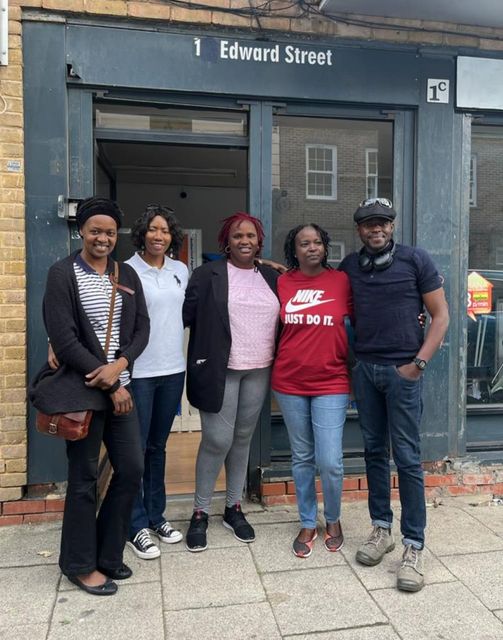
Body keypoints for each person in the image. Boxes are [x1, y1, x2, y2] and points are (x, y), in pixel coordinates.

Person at [33, 197, 149, 596]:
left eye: (110, 232)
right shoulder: (62, 273)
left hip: (121, 388)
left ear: (118, 236)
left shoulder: (126, 274)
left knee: (131, 470)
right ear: (81, 231)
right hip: (84, 394)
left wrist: (121, 366)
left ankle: (108, 552)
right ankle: (79, 564)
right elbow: (64, 339)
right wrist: (110, 383)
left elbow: (142, 330)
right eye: (95, 230)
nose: (102, 237)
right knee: (83, 481)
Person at [338, 197, 449, 592]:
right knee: (372, 452)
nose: (376, 229)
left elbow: (440, 315)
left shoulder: (416, 261)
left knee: (407, 457)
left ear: (392, 226)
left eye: (382, 222)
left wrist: (417, 364)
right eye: (368, 223)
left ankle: (414, 546)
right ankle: (380, 529)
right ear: (359, 230)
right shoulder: (350, 266)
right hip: (365, 372)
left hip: (403, 371)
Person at [182, 212, 280, 552]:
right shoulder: (206, 274)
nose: (245, 241)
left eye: (251, 236)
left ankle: (233, 507)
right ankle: (199, 511)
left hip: (259, 368)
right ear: (226, 240)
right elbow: (186, 317)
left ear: (259, 242)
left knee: (242, 439)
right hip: (220, 369)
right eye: (238, 235)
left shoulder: (271, 277)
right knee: (217, 439)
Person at [271, 224, 352, 558]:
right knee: (302, 458)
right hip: (289, 381)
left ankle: (332, 518)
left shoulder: (342, 281)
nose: (312, 247)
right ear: (295, 249)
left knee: (330, 461)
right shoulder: (282, 281)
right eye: (305, 243)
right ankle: (307, 520)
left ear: (326, 246)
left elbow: (370, 314)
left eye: (318, 241)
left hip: (332, 381)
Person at [125, 205, 187, 559]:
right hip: (139, 373)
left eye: (164, 230)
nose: (159, 236)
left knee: (158, 447)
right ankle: (135, 525)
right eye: (153, 229)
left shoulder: (181, 270)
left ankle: (156, 515)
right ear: (142, 234)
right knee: (135, 450)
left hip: (172, 369)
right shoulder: (127, 270)